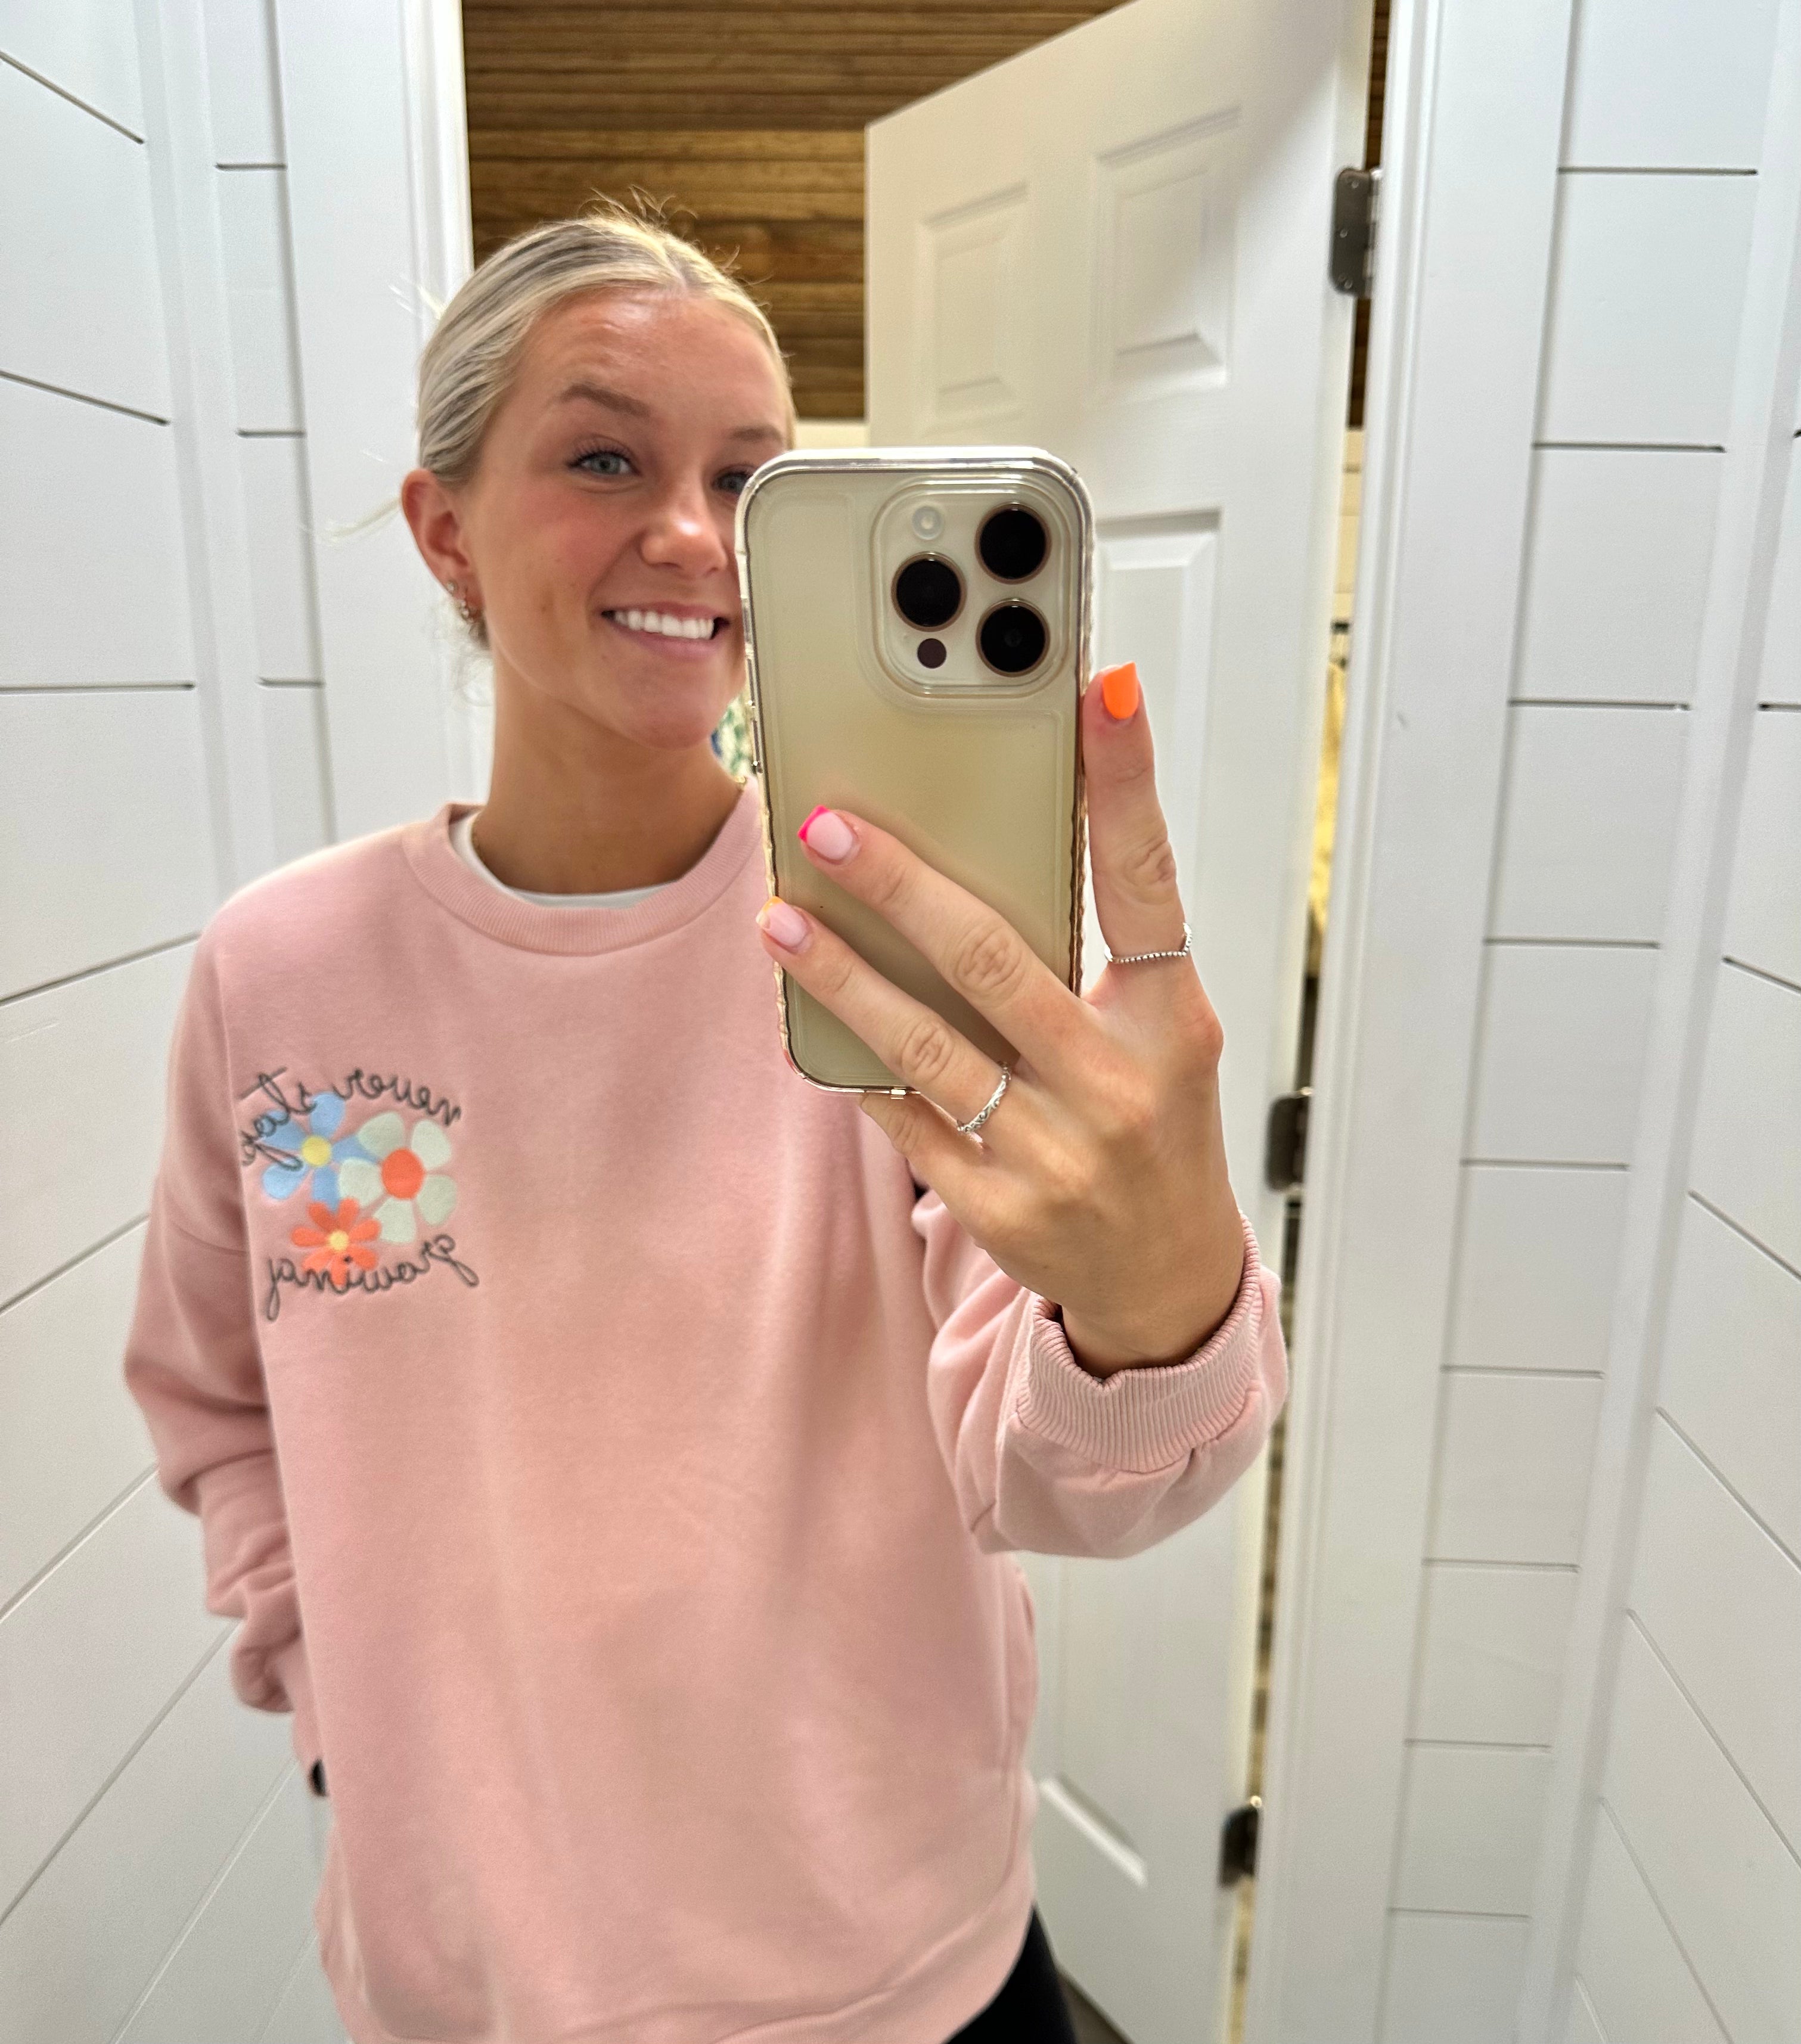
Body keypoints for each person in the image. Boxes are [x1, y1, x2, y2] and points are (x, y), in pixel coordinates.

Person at [124, 201, 1286, 2044]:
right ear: (446, 530)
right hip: (473, 1988)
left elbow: (1071, 1475)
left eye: (748, 479)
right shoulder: (289, 979)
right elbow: (218, 1398)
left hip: (896, 1974)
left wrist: (1154, 1309)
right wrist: (340, 1707)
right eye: (604, 457)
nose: (690, 533)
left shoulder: (890, 955)